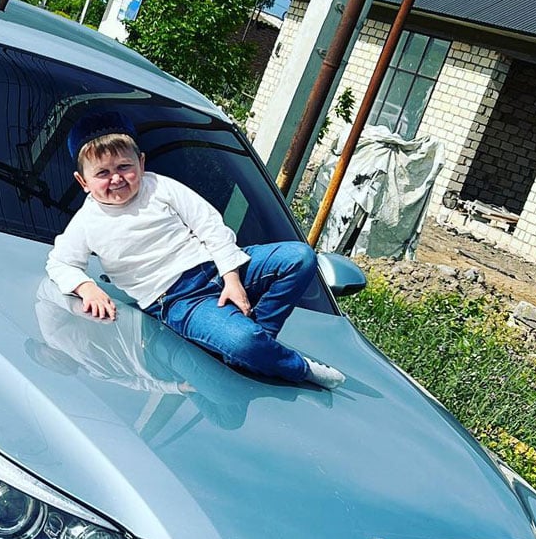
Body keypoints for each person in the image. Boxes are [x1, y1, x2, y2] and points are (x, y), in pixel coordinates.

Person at [45, 111, 345, 389]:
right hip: (177, 300)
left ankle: (259, 340)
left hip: (218, 268)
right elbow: (60, 263)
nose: (116, 178)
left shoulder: (160, 187)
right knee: (243, 344)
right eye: (103, 173)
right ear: (82, 181)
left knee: (300, 257)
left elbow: (210, 225)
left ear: (142, 163)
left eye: (125, 166)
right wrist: (87, 288)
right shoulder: (86, 223)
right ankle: (296, 367)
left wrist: (231, 277)